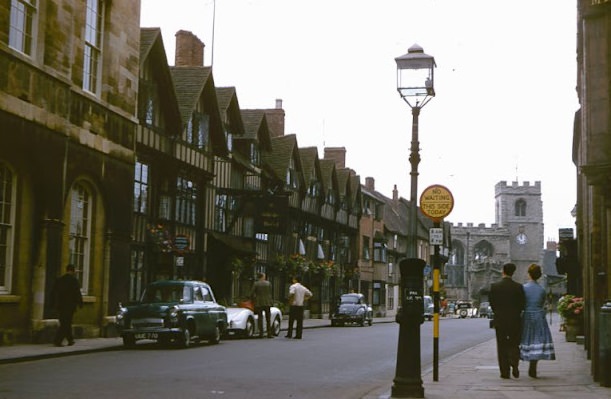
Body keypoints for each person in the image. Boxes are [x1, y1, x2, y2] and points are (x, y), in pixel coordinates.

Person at [489, 263, 525, 379]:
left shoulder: (495, 286)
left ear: (503, 271)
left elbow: (492, 304)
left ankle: (505, 372)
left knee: (502, 345)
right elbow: (522, 304)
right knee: (514, 344)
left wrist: (499, 312)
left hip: (500, 319)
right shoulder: (518, 287)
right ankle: (514, 364)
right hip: (515, 320)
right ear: (513, 272)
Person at [519, 264, 556, 378]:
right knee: (537, 340)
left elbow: (522, 303)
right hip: (539, 316)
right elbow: (542, 303)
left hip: (528, 315)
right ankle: (533, 365)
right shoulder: (541, 290)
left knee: (527, 339)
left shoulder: (524, 288)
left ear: (529, 274)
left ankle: (525, 358)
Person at [51, 264, 83, 347]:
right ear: (73, 271)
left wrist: (53, 304)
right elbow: (77, 293)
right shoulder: (74, 281)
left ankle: (70, 340)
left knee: (65, 322)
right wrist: (80, 303)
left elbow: (54, 292)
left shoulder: (60, 280)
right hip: (70, 306)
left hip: (60, 305)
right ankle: (57, 340)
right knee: (66, 323)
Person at [250, 272, 273, 338]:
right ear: (263, 277)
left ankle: (261, 333)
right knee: (268, 318)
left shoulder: (256, 284)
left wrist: (253, 299)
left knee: (260, 317)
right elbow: (270, 292)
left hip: (259, 302)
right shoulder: (268, 283)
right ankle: (269, 333)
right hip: (267, 302)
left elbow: (252, 293)